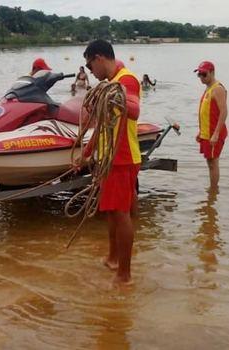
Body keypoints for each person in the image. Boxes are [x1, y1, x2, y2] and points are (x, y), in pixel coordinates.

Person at [77, 39, 142, 286]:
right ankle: (113, 258)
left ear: (99, 58)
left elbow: (134, 109)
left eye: (89, 64)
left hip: (122, 157)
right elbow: (103, 125)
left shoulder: (126, 80)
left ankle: (124, 275)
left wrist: (117, 99)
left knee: (121, 213)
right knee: (112, 213)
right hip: (108, 158)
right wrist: (85, 154)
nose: (89, 70)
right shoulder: (111, 83)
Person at [195, 60, 228, 191]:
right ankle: (212, 189)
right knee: (209, 162)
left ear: (212, 73)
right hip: (206, 132)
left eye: (204, 74)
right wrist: (201, 131)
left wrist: (216, 134)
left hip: (214, 133)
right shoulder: (208, 88)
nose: (201, 78)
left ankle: (213, 191)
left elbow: (224, 112)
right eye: (199, 75)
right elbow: (207, 112)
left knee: (213, 163)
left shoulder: (218, 89)